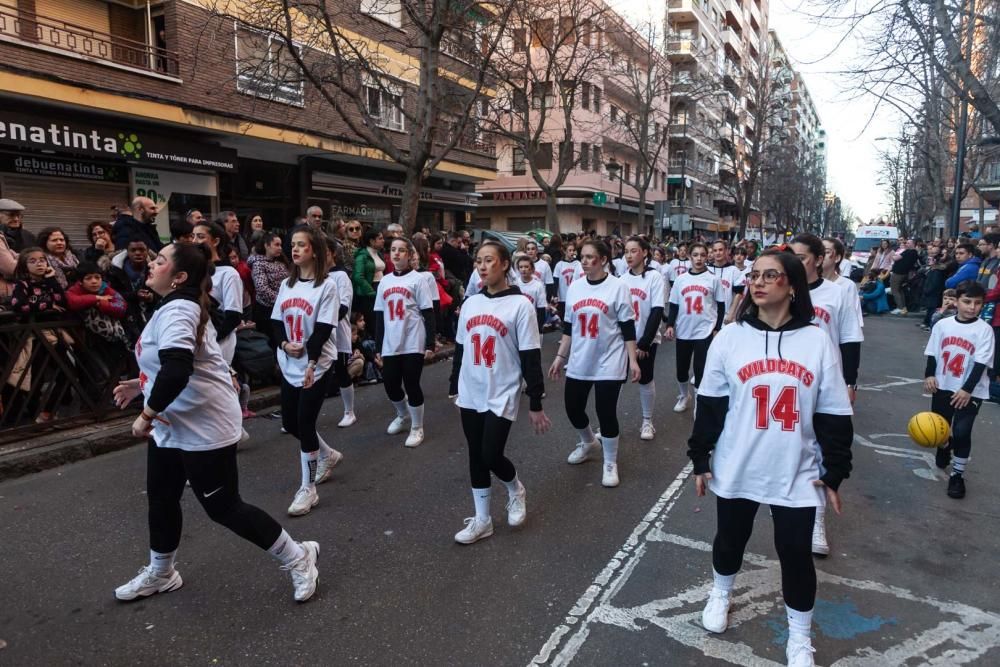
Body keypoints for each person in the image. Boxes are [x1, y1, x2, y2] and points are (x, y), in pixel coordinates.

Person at [111, 242, 320, 603]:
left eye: (160, 261)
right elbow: (175, 361)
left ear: (179, 277)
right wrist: (140, 383)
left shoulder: (178, 309)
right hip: (173, 422)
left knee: (224, 507)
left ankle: (299, 556)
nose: (151, 264)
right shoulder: (175, 306)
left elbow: (178, 367)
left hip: (203, 426)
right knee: (162, 498)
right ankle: (162, 572)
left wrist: (145, 414)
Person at [688, 249, 853, 667]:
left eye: (770, 276)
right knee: (730, 539)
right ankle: (721, 592)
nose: (758, 283)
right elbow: (710, 404)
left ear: (792, 285)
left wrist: (835, 471)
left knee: (795, 552)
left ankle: (799, 637)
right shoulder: (729, 338)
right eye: (754, 275)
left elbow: (833, 412)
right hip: (738, 463)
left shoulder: (816, 340)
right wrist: (700, 458)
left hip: (795, 469)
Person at [448, 241, 551, 544]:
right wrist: (455, 384)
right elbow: (460, 349)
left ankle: (515, 488)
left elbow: (531, 355)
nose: (482, 266)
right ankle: (482, 519)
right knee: (475, 455)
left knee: (490, 453)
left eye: (489, 260)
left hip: (502, 389)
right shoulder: (470, 304)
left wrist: (535, 400)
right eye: (478, 260)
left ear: (505, 264)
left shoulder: (520, 305)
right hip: (471, 389)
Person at [790, 233, 863, 559]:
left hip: (826, 382)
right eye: (791, 256)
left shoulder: (839, 293)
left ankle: (817, 519)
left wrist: (850, 381)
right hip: (790, 380)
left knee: (823, 451)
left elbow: (849, 338)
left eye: (802, 257)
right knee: (793, 448)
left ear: (819, 259)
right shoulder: (785, 289)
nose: (795, 263)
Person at [548, 239, 640, 488]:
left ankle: (610, 462)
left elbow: (627, 327)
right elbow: (569, 327)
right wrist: (560, 357)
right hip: (581, 358)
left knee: (605, 411)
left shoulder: (618, 287)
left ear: (604, 260)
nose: (585, 262)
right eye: (582, 257)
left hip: (610, 359)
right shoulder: (576, 288)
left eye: (590, 257)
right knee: (572, 407)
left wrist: (633, 360)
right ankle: (589, 442)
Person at [272, 226, 345, 516]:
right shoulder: (286, 285)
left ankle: (308, 489)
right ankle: (328, 454)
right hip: (289, 362)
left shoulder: (327, 286)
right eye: (293, 245)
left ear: (314, 250)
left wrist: (312, 362)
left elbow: (325, 328)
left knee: (304, 421)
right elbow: (276, 320)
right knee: (290, 423)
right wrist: (283, 342)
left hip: (317, 363)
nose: (295, 249)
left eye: (302, 245)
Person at [923, 281, 995, 499]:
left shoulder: (984, 330)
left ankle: (957, 476)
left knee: (962, 432)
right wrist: (929, 374)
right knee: (940, 429)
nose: (972, 307)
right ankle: (944, 445)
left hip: (970, 390)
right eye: (967, 301)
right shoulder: (942, 325)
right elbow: (933, 353)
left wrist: (967, 389)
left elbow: (981, 363)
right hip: (943, 384)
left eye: (977, 303)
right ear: (956, 301)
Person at [374, 237, 436, 447]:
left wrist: (430, 343)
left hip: (412, 338)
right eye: (393, 250)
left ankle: (417, 427)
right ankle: (402, 414)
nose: (397, 253)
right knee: (390, 383)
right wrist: (378, 345)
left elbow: (428, 312)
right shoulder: (384, 281)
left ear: (410, 255)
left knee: (411, 383)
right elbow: (379, 316)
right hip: (391, 340)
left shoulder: (418, 280)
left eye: (401, 250)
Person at [665, 242, 725, 413]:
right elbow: (674, 305)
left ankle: (699, 403)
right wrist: (670, 325)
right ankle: (684, 395)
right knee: (681, 371)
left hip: (704, 331)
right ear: (690, 257)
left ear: (707, 257)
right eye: (695, 255)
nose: (699, 259)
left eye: (702, 255)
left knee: (700, 370)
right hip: (684, 330)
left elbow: (720, 306)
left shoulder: (713, 279)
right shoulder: (681, 280)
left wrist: (717, 328)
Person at [620, 236, 666, 441]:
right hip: (623, 339)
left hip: (645, 338)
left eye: (633, 251)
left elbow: (657, 310)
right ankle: (607, 423)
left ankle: (647, 421)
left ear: (645, 253)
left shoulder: (654, 277)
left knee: (645, 378)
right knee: (613, 380)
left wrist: (645, 342)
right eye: (626, 251)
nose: (629, 255)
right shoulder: (621, 280)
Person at [192, 223, 243, 366]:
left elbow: (233, 316)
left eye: (201, 237)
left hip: (219, 345)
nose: (195, 241)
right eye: (193, 236)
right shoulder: (194, 271)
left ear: (215, 241)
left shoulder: (228, 273)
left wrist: (212, 341)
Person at [325, 239, 358, 426]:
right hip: (318, 334)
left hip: (337, 332)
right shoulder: (315, 275)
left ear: (333, 254)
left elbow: (344, 306)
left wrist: (324, 321)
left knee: (341, 371)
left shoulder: (340, 277)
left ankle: (349, 411)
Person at [65, 261, 129, 346]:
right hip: (85, 337)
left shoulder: (105, 288)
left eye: (97, 277)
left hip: (112, 338)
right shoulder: (73, 290)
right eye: (88, 278)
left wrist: (104, 305)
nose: (94, 281)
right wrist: (96, 298)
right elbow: (73, 302)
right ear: (80, 281)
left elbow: (122, 305)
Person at [107, 239, 156, 343]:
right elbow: (113, 294)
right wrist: (135, 295)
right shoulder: (115, 271)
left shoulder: (154, 269)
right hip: (127, 318)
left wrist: (152, 297)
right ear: (127, 252)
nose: (138, 253)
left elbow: (161, 293)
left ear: (147, 251)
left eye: (142, 250)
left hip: (151, 315)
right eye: (133, 250)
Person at [248, 232, 290, 347]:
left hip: (283, 307)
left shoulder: (281, 262)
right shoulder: (258, 264)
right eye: (276, 245)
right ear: (267, 245)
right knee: (271, 341)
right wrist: (281, 301)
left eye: (280, 245)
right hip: (266, 310)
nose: (280, 248)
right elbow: (262, 289)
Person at [353, 227, 384, 335]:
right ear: (371, 241)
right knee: (374, 321)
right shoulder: (362, 256)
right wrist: (371, 292)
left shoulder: (379, 254)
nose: (383, 240)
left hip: (380, 289)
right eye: (380, 238)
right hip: (369, 293)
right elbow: (358, 277)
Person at [710, 240, 745, 324]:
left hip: (726, 317)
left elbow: (738, 294)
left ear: (726, 251)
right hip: (710, 316)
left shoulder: (734, 270)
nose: (718, 253)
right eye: (715, 250)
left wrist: (731, 314)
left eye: (720, 250)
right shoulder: (707, 270)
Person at [515, 255, 548, 332]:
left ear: (532, 269)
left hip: (532, 322)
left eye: (526, 267)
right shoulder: (515, 284)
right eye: (521, 267)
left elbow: (541, 308)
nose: (523, 269)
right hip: (517, 322)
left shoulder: (538, 285)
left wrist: (539, 327)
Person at [889, 239, 920, 315]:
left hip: (898, 273)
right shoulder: (915, 253)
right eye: (906, 243)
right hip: (904, 273)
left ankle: (900, 308)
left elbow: (895, 258)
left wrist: (892, 253)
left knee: (895, 290)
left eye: (909, 243)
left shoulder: (908, 252)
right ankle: (903, 307)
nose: (906, 244)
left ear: (913, 244)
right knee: (900, 290)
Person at [553, 242, 581, 323]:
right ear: (565, 251)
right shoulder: (559, 264)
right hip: (563, 295)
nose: (572, 252)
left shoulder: (578, 264)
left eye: (573, 250)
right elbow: (555, 280)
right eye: (570, 250)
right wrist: (555, 295)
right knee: (564, 317)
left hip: (575, 295)